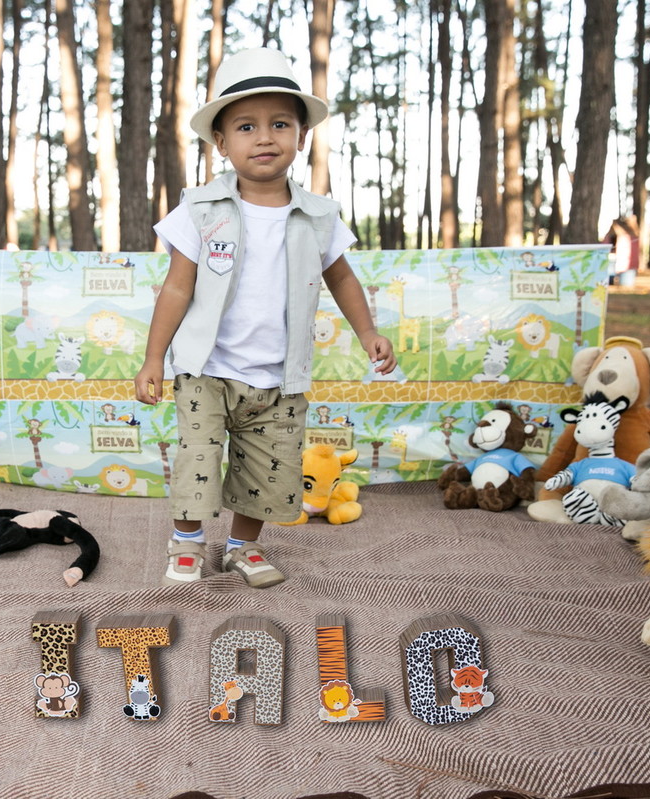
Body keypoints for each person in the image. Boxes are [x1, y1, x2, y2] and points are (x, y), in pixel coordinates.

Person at [134, 47, 396, 589]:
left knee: (266, 466)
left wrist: (368, 331)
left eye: (280, 124)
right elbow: (176, 287)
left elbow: (342, 278)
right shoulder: (200, 209)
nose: (264, 138)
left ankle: (242, 547)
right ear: (221, 142)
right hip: (206, 369)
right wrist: (154, 359)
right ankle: (187, 542)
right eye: (246, 127)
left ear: (302, 136)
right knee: (199, 459)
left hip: (279, 376)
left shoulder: (319, 215)